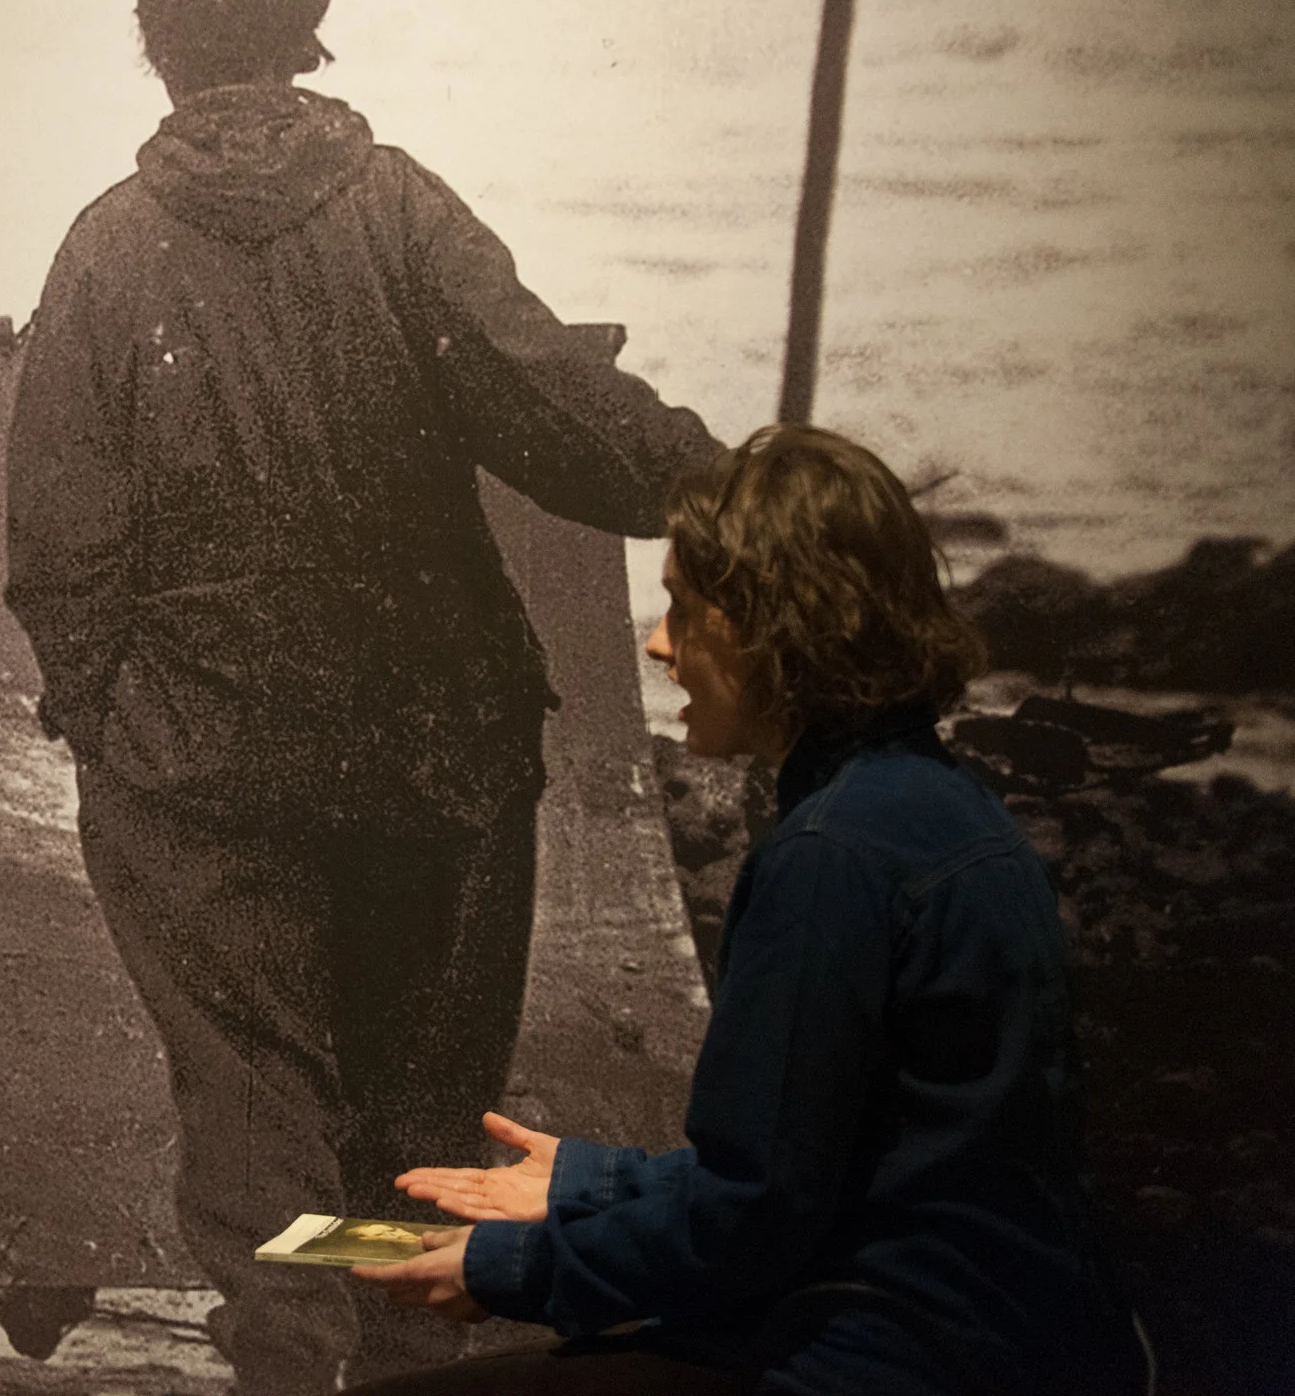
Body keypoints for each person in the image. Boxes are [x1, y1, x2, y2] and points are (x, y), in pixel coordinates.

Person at [2, 0, 719, 1394]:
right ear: (310, 37)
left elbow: (57, 543)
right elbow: (562, 422)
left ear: (156, 52)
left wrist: (119, 722)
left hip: (200, 784)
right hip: (433, 766)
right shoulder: (402, 213)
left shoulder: (104, 251)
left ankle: (288, 1358)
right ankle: (398, 1357)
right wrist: (740, 486)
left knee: (259, 1133)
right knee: (418, 1137)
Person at [348, 425, 1146, 1395]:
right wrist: (594, 1185)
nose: (654, 644)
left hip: (891, 1352)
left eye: (683, 610)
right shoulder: (941, 805)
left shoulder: (827, 857)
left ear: (778, 625)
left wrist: (507, 1267)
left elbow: (754, 1220)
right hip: (1013, 1335)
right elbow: (839, 1166)